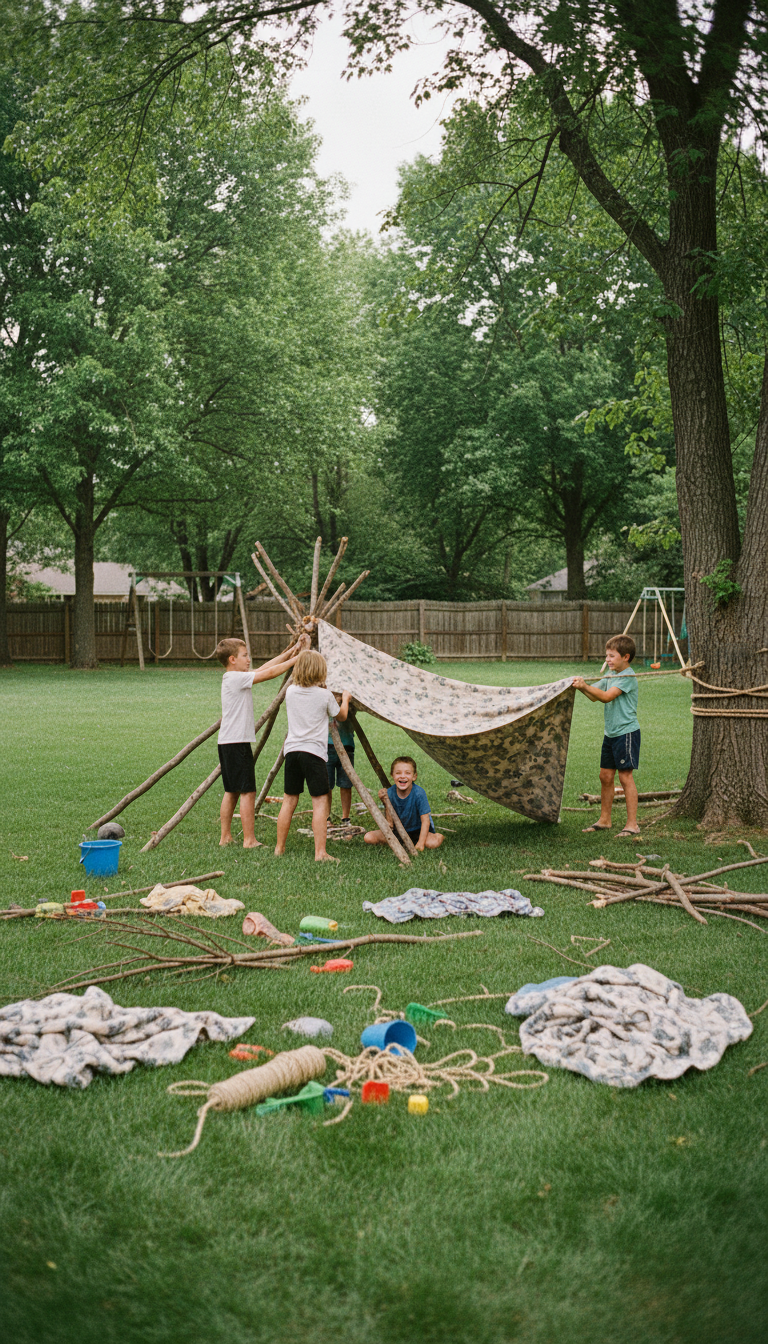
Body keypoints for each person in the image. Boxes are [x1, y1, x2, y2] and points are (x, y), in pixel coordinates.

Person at [215, 636, 305, 849]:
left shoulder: (234, 677)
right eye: (245, 656)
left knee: (232, 790)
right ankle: (249, 840)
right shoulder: (235, 678)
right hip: (237, 742)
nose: (249, 659)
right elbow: (269, 673)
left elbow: (265, 667)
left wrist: (291, 651)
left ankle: (225, 836)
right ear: (232, 659)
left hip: (228, 741)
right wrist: (297, 659)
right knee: (248, 791)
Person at [274, 650, 350, 862]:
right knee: (319, 802)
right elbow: (341, 716)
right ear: (320, 671)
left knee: (289, 800)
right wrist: (345, 699)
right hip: (314, 753)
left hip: (292, 752)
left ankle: (279, 848)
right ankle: (320, 853)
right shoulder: (324, 696)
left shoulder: (290, 691)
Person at [573, 634, 640, 838]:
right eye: (606, 656)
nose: (607, 660)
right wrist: (581, 686)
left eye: (611, 656)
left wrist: (585, 686)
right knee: (605, 776)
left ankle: (632, 824)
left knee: (625, 776)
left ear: (625, 657)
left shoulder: (627, 677)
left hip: (626, 733)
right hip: (610, 733)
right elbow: (595, 696)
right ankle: (605, 820)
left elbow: (607, 697)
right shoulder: (611, 675)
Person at [364, 755, 444, 851]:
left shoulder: (419, 793)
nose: (402, 776)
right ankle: (403, 841)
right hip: (398, 831)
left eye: (407, 773)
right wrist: (385, 802)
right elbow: (390, 823)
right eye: (398, 773)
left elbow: (425, 821)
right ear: (392, 775)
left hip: (417, 830)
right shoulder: (389, 793)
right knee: (369, 837)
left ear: (414, 776)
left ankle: (439, 836)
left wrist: (421, 843)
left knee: (432, 843)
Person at [327, 695, 355, 826]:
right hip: (326, 745)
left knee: (346, 784)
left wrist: (345, 700)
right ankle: (326, 817)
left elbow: (344, 715)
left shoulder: (349, 696)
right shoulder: (323, 694)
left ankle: (345, 818)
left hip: (347, 745)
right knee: (327, 785)